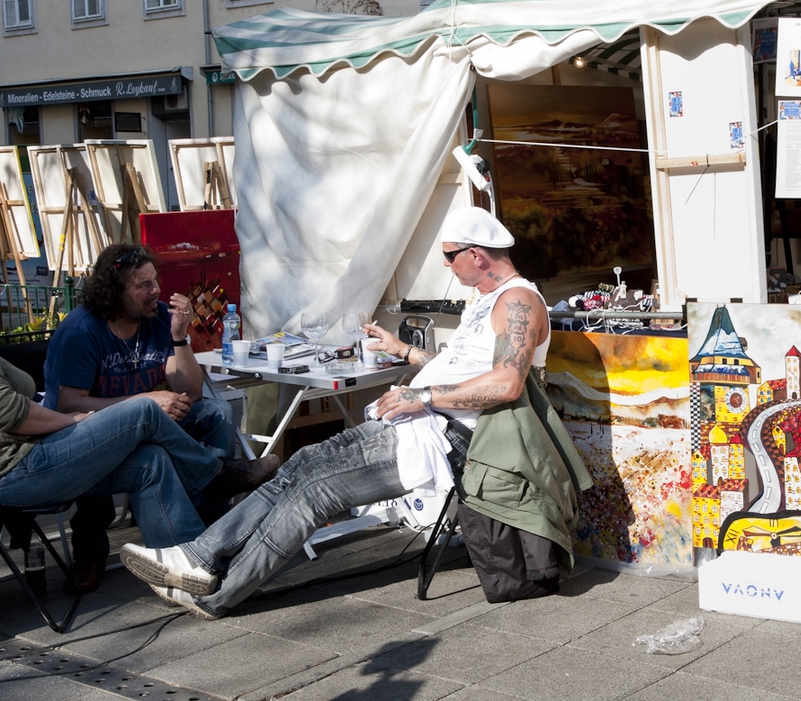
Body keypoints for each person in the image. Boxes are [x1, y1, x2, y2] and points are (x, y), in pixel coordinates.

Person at [119, 207, 583, 618]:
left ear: (477, 256)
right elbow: (465, 368)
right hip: (421, 423)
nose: (446, 264)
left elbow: (506, 382)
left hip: (444, 437)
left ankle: (211, 592)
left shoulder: (519, 301)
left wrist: (420, 397)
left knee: (313, 491)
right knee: (301, 466)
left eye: (450, 255)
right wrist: (403, 352)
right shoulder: (487, 300)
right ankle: (200, 560)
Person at [0, 244, 276, 563]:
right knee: (143, 410)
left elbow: (191, 392)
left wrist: (180, 340)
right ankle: (216, 473)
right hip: (12, 471)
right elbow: (13, 414)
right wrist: (79, 419)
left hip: (25, 458)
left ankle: (191, 561)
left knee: (153, 459)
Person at [43, 243, 260, 590]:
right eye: (143, 285)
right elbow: (68, 405)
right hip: (87, 434)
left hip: (149, 420)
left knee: (217, 412)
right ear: (116, 292)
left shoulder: (158, 317)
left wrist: (179, 336)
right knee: (146, 445)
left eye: (155, 280)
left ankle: (210, 531)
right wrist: (143, 401)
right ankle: (91, 551)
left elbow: (191, 391)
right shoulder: (81, 331)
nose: (156, 290)